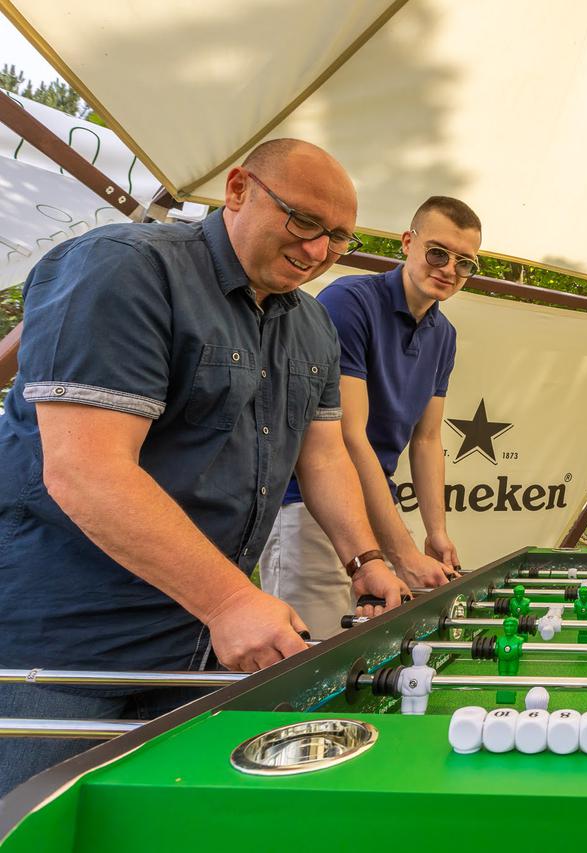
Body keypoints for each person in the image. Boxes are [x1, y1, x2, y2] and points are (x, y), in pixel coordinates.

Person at [0, 138, 410, 796]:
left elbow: (323, 450)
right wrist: (231, 599)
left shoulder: (310, 323)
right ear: (239, 189)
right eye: (303, 221)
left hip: (191, 651)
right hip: (60, 654)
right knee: (32, 826)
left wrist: (365, 559)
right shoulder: (125, 270)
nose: (317, 251)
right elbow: (86, 470)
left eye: (338, 237)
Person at [261, 196, 481, 638]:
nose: (448, 268)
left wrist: (436, 533)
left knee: (367, 654)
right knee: (312, 655)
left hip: (376, 506)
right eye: (437, 252)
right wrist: (402, 554)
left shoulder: (445, 334)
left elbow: (426, 440)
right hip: (310, 507)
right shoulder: (350, 301)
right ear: (407, 242)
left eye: (465, 262)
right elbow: (348, 436)